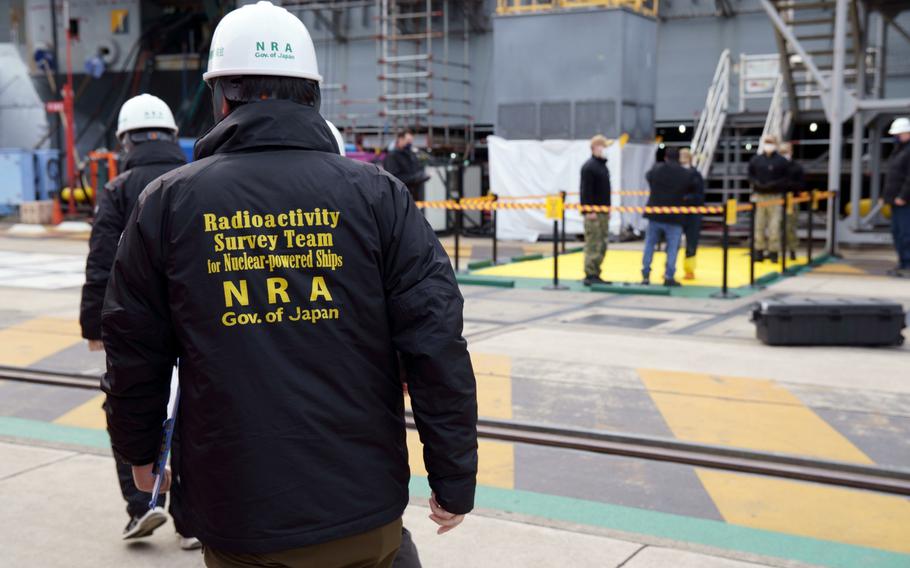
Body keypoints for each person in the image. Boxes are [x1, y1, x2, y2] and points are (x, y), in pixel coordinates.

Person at [100, 3, 477, 568]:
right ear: (313, 96)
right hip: (362, 507)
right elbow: (435, 340)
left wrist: (139, 451)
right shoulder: (378, 194)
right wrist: (452, 476)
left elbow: (134, 349)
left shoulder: (169, 203)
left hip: (239, 514)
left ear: (220, 97)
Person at [78, 93, 199, 549]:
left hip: (137, 323)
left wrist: (94, 324)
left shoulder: (119, 188)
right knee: (193, 409)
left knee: (128, 404)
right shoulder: (193, 179)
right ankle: (191, 520)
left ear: (125, 141)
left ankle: (142, 504)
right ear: (172, 137)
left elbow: (102, 262)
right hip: (194, 319)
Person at [641, 148, 696, 287]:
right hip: (675, 217)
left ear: (665, 157)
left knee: (649, 245)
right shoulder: (685, 174)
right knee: (672, 248)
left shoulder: (656, 169)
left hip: (655, 214)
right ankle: (668, 276)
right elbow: (692, 188)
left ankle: (646, 274)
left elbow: (648, 177)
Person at [748, 135, 791, 263]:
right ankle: (759, 250)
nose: (768, 145)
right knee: (759, 225)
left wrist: (774, 185)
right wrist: (757, 184)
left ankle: (773, 252)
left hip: (775, 196)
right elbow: (750, 175)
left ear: (776, 144)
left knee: (774, 225)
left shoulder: (782, 161)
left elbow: (786, 178)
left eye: (771, 142)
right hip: (760, 196)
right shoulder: (756, 160)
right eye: (766, 142)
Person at [580, 134, 613, 286]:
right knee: (594, 242)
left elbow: (605, 191)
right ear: (595, 147)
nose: (605, 150)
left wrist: (608, 209)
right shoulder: (589, 167)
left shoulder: (601, 166)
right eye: (603, 146)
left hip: (603, 211)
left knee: (602, 242)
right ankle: (590, 273)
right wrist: (589, 210)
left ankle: (596, 271)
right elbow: (586, 191)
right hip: (594, 212)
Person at [883, 117, 910, 277]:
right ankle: (902, 262)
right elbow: (893, 176)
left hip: (905, 202)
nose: (896, 137)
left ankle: (907, 264)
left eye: (899, 134)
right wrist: (885, 196)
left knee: (906, 233)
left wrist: (903, 196)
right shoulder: (899, 150)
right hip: (896, 200)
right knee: (897, 232)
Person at [678, 148, 705, 280]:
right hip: (676, 212)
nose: (683, 159)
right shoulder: (674, 174)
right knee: (673, 242)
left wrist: (688, 198)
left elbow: (700, 195)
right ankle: (668, 268)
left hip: (693, 212)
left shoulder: (696, 175)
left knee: (691, 242)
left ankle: (689, 269)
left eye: (685, 156)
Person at [383, 130, 430, 202]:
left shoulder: (411, 155)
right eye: (408, 140)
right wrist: (415, 178)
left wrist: (421, 176)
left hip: (413, 196)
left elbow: (415, 169)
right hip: (399, 197)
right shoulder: (392, 156)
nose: (410, 143)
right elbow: (393, 178)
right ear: (400, 139)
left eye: (411, 140)